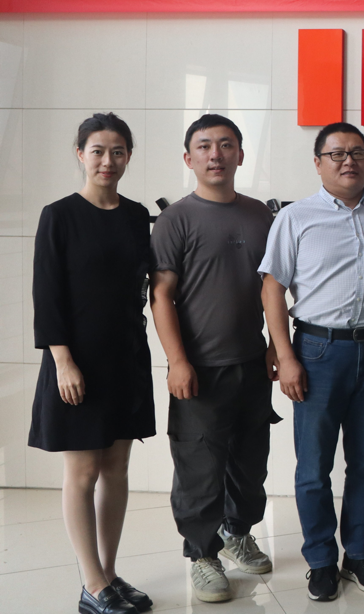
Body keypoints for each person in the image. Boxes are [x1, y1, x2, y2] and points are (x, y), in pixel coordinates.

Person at [259, 122, 364, 602]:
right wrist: (285, 355)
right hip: (317, 352)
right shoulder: (295, 218)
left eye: (358, 152)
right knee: (314, 467)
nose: (350, 161)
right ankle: (322, 561)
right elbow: (272, 289)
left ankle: (360, 555)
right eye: (338, 153)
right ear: (318, 162)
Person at [29, 113, 155, 614]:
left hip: (126, 358)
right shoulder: (59, 215)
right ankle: (91, 584)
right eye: (98, 151)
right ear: (80, 154)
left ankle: (110, 573)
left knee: (117, 469)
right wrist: (62, 361)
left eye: (117, 151)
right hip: (76, 362)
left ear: (128, 157)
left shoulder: (137, 215)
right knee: (82, 472)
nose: (108, 161)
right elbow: (47, 295)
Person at [150, 114, 278, 602]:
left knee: (249, 463)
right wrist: (177, 361)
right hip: (199, 369)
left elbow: (273, 289)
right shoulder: (176, 219)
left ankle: (236, 533)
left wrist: (276, 345)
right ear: (189, 158)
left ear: (241, 155)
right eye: (204, 146)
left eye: (226, 145)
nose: (215, 154)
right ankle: (202, 554)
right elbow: (161, 295)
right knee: (200, 469)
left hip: (251, 364)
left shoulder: (261, 216)